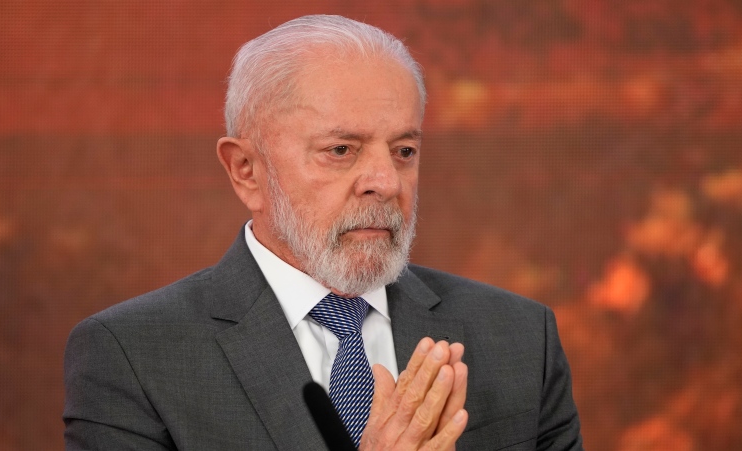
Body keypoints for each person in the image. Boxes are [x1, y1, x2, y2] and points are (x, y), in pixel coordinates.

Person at [63, 14, 583, 451]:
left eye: (404, 151)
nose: (384, 182)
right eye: (341, 150)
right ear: (246, 169)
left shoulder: (519, 337)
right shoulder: (132, 355)